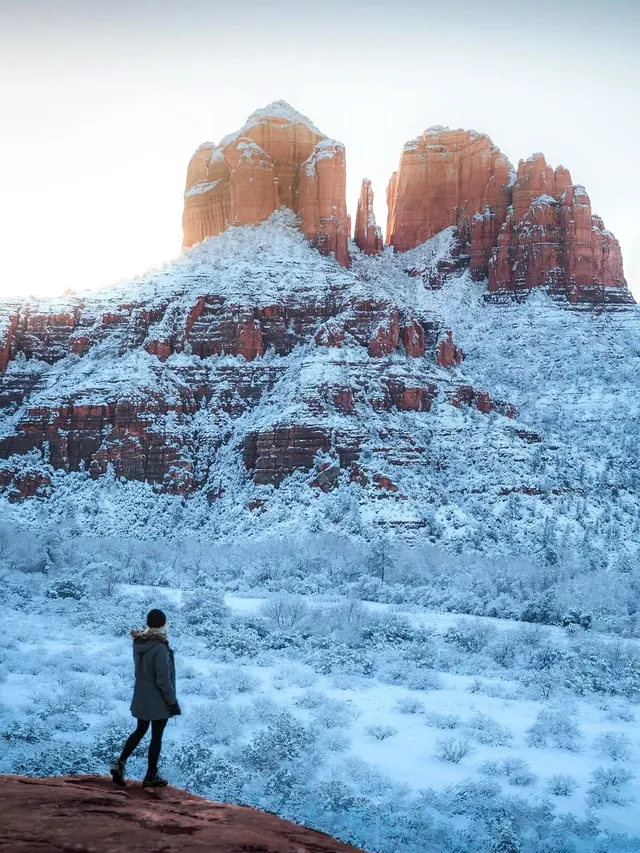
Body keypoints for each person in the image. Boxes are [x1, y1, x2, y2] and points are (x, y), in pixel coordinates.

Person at [110, 608, 181, 788]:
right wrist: (172, 702)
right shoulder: (160, 648)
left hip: (141, 695)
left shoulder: (139, 642)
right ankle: (150, 775)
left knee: (140, 730)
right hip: (158, 700)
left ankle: (120, 764)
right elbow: (163, 680)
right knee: (156, 737)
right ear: (164, 625)